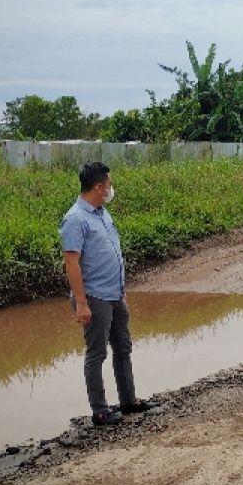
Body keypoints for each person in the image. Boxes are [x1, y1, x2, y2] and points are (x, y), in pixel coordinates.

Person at [60, 162, 156, 427]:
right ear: (99, 187)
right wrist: (81, 303)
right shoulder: (75, 219)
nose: (111, 189)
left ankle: (128, 400)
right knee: (96, 354)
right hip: (94, 297)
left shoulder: (102, 213)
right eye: (109, 185)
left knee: (123, 347)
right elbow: (71, 263)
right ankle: (100, 411)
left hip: (115, 294)